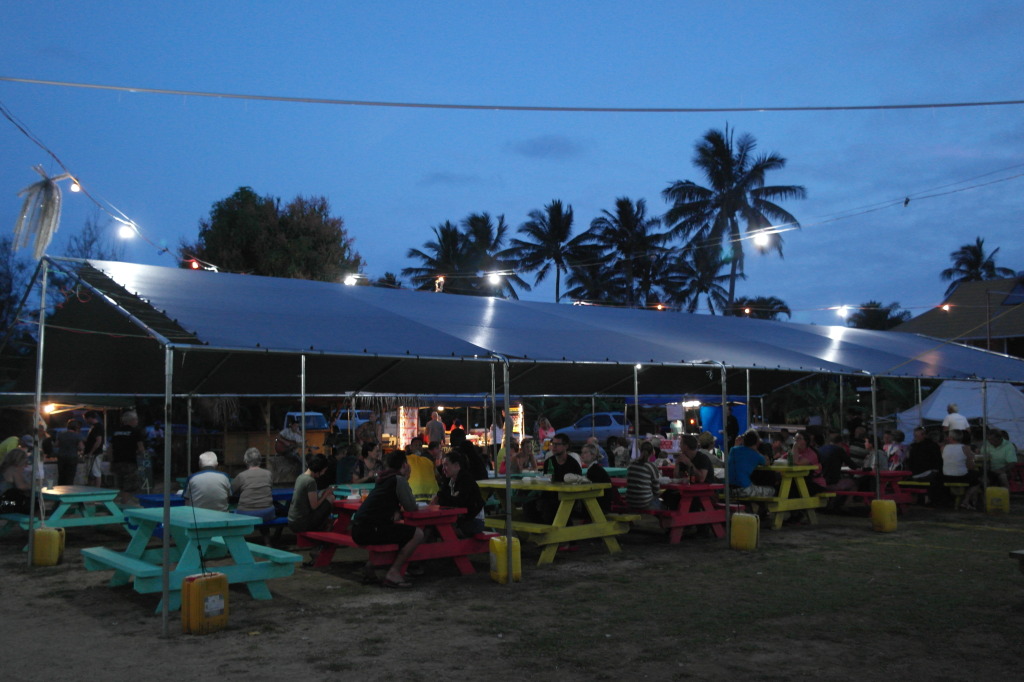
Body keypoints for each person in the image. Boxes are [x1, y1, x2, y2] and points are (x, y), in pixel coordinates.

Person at [350, 450, 425, 588]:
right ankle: (394, 572)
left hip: (358, 528)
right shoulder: (398, 479)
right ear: (404, 464)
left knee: (397, 532)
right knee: (417, 534)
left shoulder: (382, 478)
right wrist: (406, 478)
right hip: (371, 530)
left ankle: (370, 566)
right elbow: (411, 507)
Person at [433, 450, 485, 537]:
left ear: (457, 466)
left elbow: (459, 502)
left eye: (446, 465)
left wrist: (442, 497)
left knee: (442, 530)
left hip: (474, 521)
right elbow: (446, 499)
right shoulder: (449, 480)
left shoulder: (466, 480)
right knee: (434, 528)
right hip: (458, 519)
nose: (443, 469)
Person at [232, 448, 276, 543]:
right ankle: (267, 542)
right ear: (260, 460)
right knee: (263, 509)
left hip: (246, 513)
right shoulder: (268, 474)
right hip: (267, 513)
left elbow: (232, 491)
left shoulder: (241, 476)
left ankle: (239, 543)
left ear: (246, 461)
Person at [287, 453, 336, 535]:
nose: (324, 473)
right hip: (302, 524)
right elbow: (314, 506)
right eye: (324, 471)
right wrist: (326, 493)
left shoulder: (301, 477)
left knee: (324, 496)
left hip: (292, 521)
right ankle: (324, 529)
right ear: (319, 469)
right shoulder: (310, 481)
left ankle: (325, 526)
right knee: (331, 498)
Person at [935, 429, 981, 510]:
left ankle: (949, 501)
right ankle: (966, 500)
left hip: (946, 476)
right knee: (978, 479)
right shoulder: (965, 448)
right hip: (961, 476)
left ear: (950, 438)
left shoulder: (943, 448)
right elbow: (971, 466)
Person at [728, 431, 775, 498]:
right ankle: (760, 507)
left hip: (729, 490)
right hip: (745, 489)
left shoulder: (733, 450)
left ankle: (754, 505)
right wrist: (756, 450)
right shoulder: (755, 455)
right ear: (757, 442)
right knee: (772, 490)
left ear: (744, 441)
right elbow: (767, 462)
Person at [109, 411, 145, 495]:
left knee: (119, 484)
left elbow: (110, 448)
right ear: (132, 420)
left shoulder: (116, 432)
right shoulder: (135, 432)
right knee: (129, 486)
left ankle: (120, 502)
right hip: (130, 462)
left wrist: (111, 461)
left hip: (117, 461)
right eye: (136, 419)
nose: (137, 421)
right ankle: (125, 503)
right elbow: (141, 448)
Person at [625, 441, 662, 510]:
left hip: (630, 500)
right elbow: (656, 490)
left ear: (640, 450)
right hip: (644, 502)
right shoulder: (651, 466)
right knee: (662, 504)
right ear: (652, 452)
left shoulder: (632, 464)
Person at [579, 442, 613, 513]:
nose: (582, 455)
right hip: (601, 504)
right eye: (582, 452)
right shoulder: (595, 468)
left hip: (599, 506)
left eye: (585, 452)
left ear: (593, 455)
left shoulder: (595, 470)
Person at [0, 447, 32, 515]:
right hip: (6, 504)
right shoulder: (15, 469)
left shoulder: (4, 467)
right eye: (25, 462)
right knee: (33, 505)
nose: (25, 466)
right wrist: (33, 485)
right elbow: (21, 486)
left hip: (3, 502)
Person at [55, 418, 84, 486]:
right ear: (76, 427)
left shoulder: (61, 434)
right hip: (72, 457)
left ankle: (60, 489)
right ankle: (68, 491)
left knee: (61, 476)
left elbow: (56, 445)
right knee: (70, 477)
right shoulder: (77, 436)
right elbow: (81, 447)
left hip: (61, 457)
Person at [82, 411, 105, 486]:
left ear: (89, 418)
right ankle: (91, 487)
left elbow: (98, 441)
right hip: (93, 453)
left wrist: (91, 452)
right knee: (91, 472)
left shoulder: (97, 427)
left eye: (86, 419)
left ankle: (97, 489)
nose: (85, 421)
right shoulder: (94, 427)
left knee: (95, 472)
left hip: (95, 454)